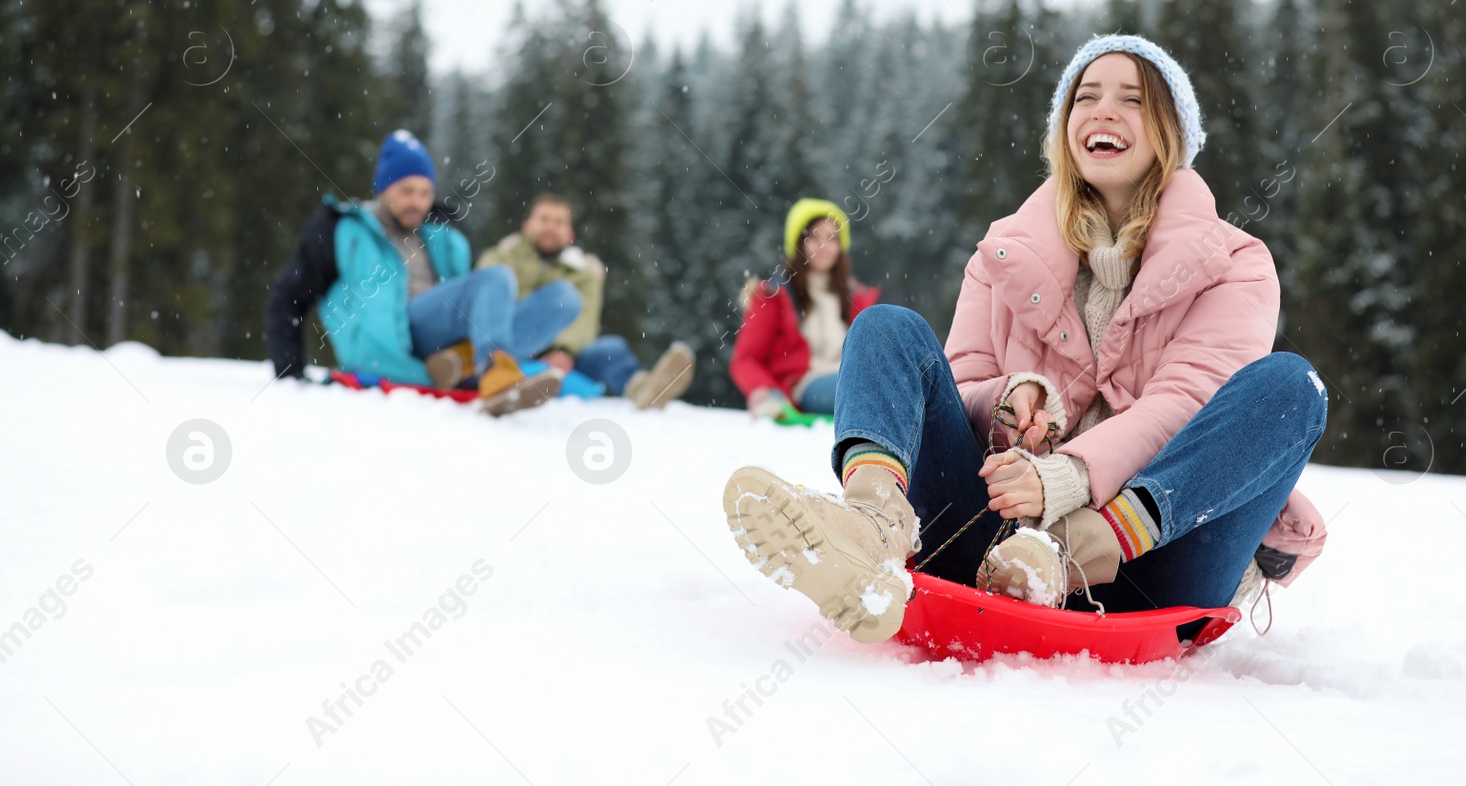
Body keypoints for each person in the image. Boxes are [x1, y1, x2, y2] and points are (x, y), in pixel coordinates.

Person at [722, 34, 1329, 643]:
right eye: (1085, 97)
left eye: (1132, 99)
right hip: (996, 547)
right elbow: (956, 391)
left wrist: (1067, 478)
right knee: (887, 328)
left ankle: (1076, 548)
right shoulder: (1003, 254)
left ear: (1171, 132)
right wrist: (1007, 401)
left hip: (1151, 569)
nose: (1103, 111)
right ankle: (871, 528)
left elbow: (1188, 402)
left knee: (1290, 386)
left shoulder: (1235, 262)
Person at [265, 130, 582, 416]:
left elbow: (475, 301)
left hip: (445, 338)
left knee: (565, 298)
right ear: (383, 188)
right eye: (406, 191)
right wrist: (290, 371)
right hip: (392, 340)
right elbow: (289, 297)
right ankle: (493, 371)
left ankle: (467, 362)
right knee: (496, 276)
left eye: (424, 192)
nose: (417, 202)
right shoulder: (343, 230)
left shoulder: (444, 237)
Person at [473, 192, 696, 408]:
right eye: (544, 219)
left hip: (565, 355)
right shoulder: (499, 259)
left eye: (559, 222)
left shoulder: (584, 273)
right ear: (527, 226)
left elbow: (586, 319)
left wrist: (564, 350)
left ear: (569, 234)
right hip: (510, 345)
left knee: (611, 348)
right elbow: (488, 308)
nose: (551, 227)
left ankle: (641, 389)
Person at [730, 198, 881, 420]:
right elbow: (745, 359)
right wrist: (765, 392)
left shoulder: (854, 297)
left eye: (832, 238)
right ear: (799, 244)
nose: (824, 246)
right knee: (866, 390)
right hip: (807, 385)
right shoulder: (774, 294)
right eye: (815, 237)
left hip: (850, 376)